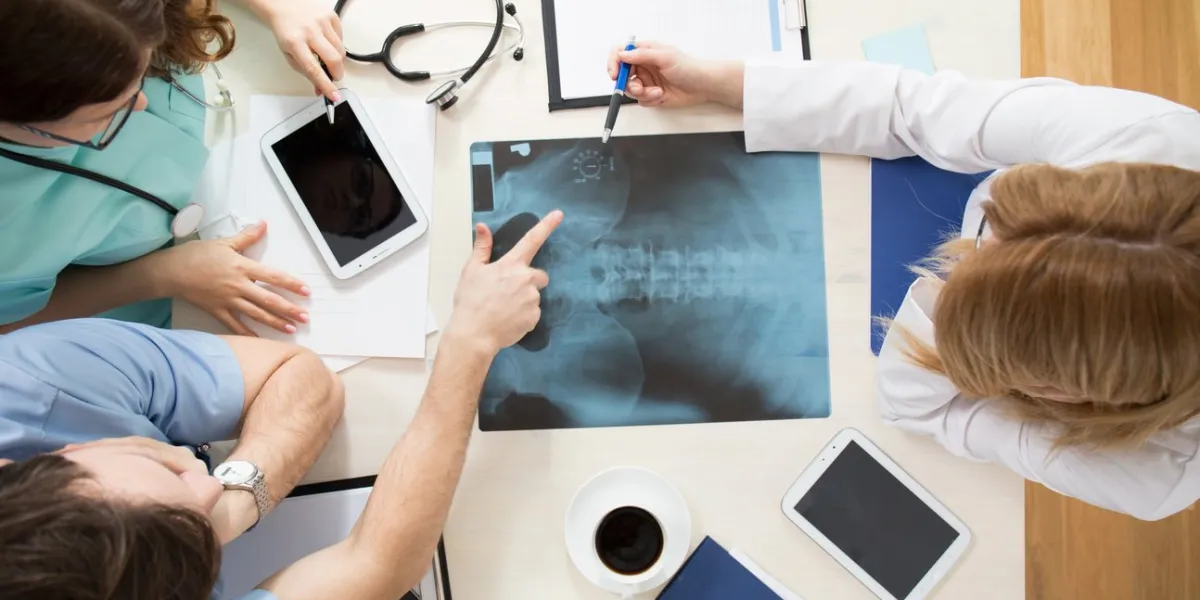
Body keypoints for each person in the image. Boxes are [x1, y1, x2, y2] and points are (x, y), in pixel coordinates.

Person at [605, 43, 1200, 520]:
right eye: (999, 227)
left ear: (1062, 393)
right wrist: (725, 84)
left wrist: (957, 303)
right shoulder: (1148, 142)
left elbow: (913, 400)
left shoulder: (1158, 473)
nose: (969, 249)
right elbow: (911, 108)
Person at [0, 210, 562, 600]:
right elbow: (377, 566)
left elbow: (302, 380)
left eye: (166, 462)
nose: (207, 481)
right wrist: (468, 345)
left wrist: (234, 506)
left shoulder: (29, 382)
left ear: (66, 455)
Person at [0, 0, 346, 336]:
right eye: (107, 113)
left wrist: (278, 5)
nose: (142, 102)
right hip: (144, 303)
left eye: (141, 76)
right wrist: (162, 275)